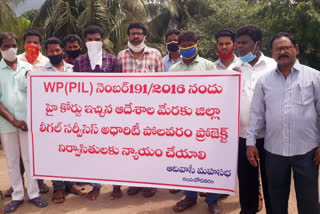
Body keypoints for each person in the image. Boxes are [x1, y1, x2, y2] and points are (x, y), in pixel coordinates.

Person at [247, 32, 320, 214]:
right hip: (274, 152)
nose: (282, 52)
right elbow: (256, 114)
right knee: (276, 200)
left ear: (296, 49)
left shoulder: (314, 77)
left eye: (286, 48)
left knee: (309, 201)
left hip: (307, 152)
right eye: (278, 49)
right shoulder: (264, 81)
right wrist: (250, 143)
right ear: (272, 54)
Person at [169, 30, 222, 214]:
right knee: (186, 160)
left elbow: (218, 93)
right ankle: (190, 196)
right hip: (182, 123)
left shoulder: (208, 66)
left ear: (197, 45)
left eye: (190, 44)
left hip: (206, 123)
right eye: (182, 46)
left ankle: (212, 200)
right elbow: (169, 96)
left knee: (210, 162)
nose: (186, 48)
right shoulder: (173, 69)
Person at [0, 32, 48, 213]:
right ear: (0, 48)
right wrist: (13, 120)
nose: (10, 49)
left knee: (29, 159)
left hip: (28, 123)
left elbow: (36, 93)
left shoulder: (27, 67)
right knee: (12, 160)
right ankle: (18, 195)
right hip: (6, 124)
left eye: (13, 45)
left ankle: (34, 193)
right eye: (6, 46)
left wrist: (30, 119)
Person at [73, 25, 121, 200]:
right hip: (88, 117)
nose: (93, 42)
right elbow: (76, 90)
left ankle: (116, 186)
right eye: (90, 39)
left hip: (111, 115)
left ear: (103, 40)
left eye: (97, 39)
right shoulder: (79, 62)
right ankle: (96, 186)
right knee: (92, 153)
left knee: (114, 151)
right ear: (85, 41)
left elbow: (120, 88)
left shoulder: (113, 60)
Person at [117, 21, 164, 198]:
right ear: (128, 36)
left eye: (139, 33)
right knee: (132, 149)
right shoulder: (121, 55)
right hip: (127, 112)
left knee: (150, 148)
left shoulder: (155, 54)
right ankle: (136, 182)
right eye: (132, 33)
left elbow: (162, 83)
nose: (135, 36)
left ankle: (151, 183)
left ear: (145, 36)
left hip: (150, 111)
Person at [234, 24, 276, 214]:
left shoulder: (274, 66)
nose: (239, 47)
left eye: (244, 43)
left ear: (257, 44)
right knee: (246, 179)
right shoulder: (234, 70)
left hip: (270, 136)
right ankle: (248, 210)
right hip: (242, 136)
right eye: (238, 43)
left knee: (272, 180)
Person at [41, 37, 85, 203]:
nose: (54, 53)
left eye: (57, 50)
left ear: (62, 51)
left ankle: (70, 183)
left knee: (70, 152)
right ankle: (58, 186)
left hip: (72, 119)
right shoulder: (41, 73)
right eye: (51, 51)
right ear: (46, 53)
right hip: (52, 120)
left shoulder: (73, 69)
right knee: (54, 153)